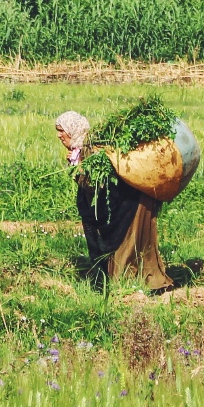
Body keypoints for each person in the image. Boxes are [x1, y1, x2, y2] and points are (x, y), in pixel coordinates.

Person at [56, 111, 172, 292]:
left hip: (127, 204)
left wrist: (76, 168)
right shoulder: (80, 149)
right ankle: (117, 283)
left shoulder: (92, 149)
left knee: (128, 245)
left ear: (72, 130)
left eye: (61, 130)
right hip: (113, 206)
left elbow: (93, 184)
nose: (59, 135)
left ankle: (134, 285)